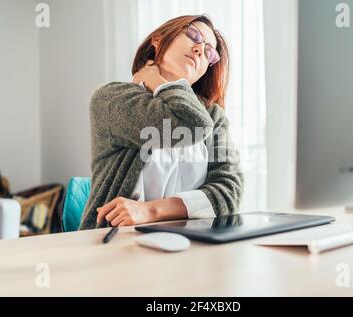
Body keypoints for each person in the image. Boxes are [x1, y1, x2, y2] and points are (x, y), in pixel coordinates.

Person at [79, 14, 243, 230]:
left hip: (193, 244)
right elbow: (192, 125)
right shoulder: (111, 99)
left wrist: (150, 211)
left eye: (209, 52)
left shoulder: (213, 115)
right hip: (119, 239)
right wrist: (163, 82)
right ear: (158, 40)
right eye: (194, 35)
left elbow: (229, 191)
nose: (200, 50)